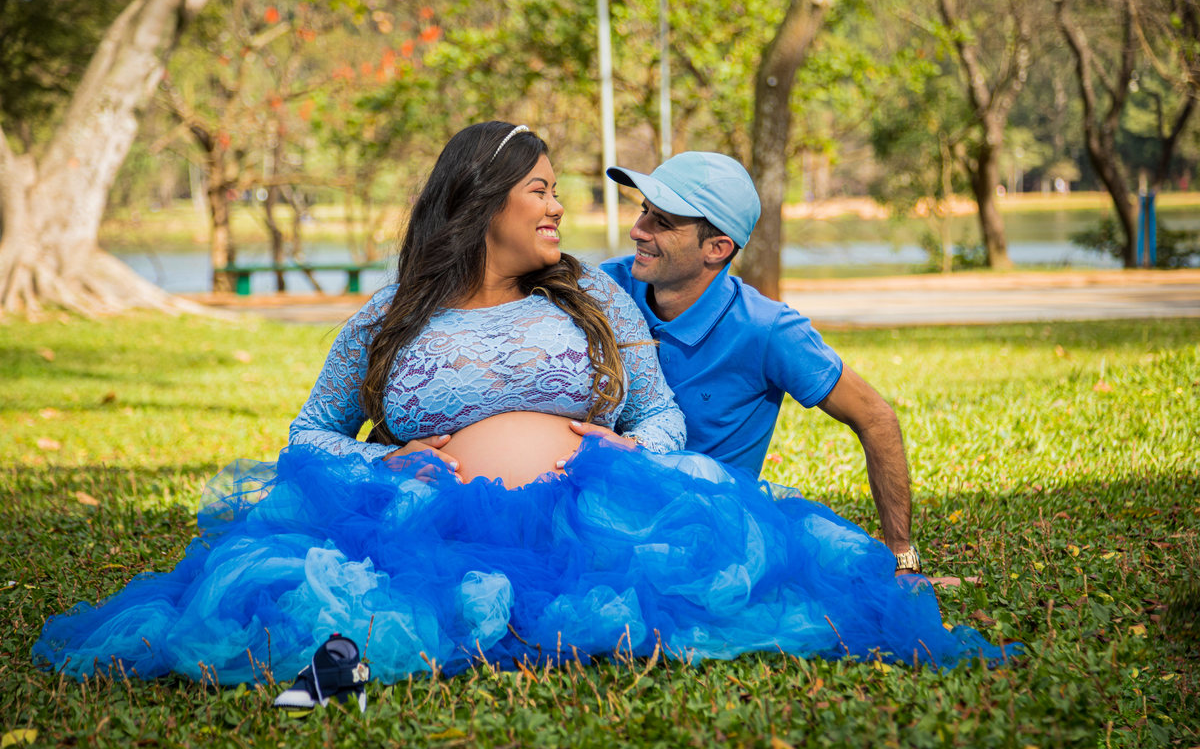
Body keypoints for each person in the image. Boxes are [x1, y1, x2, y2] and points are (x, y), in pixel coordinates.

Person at [33, 123, 1006, 696]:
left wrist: (610, 440)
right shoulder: (386, 316)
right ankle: (343, 667)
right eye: (540, 192)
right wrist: (389, 462)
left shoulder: (594, 296)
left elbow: (665, 419)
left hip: (589, 518)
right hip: (426, 521)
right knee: (338, 613)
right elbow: (307, 435)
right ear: (485, 200)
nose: (561, 211)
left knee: (751, 593)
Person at [594, 152, 921, 575]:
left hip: (712, 538)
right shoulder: (604, 288)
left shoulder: (768, 329)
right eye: (644, 211)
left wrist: (902, 555)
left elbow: (876, 418)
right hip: (604, 515)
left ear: (717, 248)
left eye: (663, 222)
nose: (637, 230)